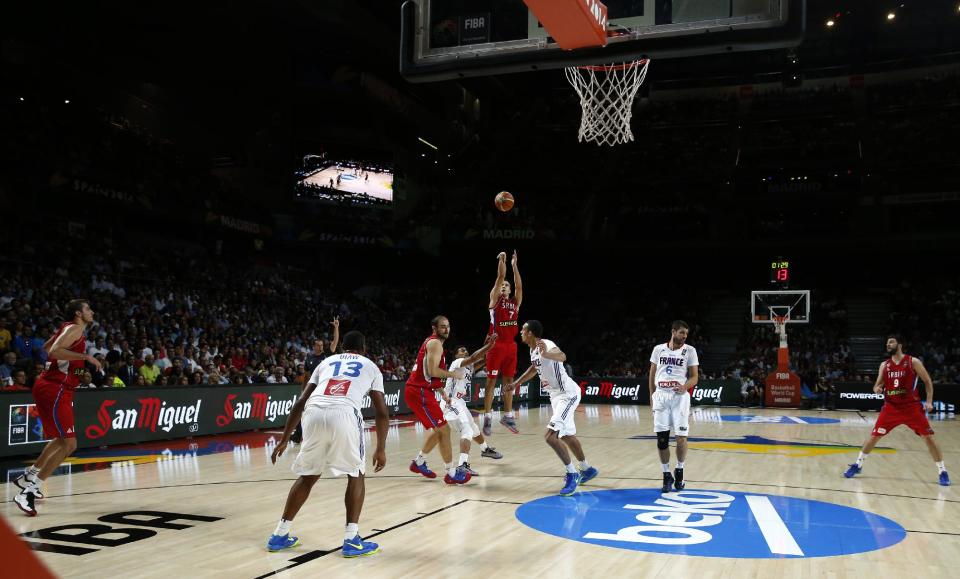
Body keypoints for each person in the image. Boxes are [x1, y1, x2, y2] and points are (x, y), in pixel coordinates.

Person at [267, 330, 390, 556]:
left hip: (313, 413)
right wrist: (381, 448)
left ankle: (279, 534)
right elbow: (381, 412)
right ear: (363, 349)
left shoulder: (326, 362)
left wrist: (284, 439)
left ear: (342, 347)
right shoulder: (370, 365)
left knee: (308, 476)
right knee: (356, 474)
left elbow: (301, 401)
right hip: (344, 413)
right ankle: (352, 539)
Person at [14, 299, 102, 516]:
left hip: (52, 386)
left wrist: (83, 374)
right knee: (70, 444)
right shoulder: (75, 328)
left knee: (62, 439)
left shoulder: (67, 328)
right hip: (55, 389)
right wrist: (85, 356)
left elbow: (47, 349)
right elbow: (54, 351)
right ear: (78, 313)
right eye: (88, 308)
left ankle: (30, 475)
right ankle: (29, 491)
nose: (91, 311)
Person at [844, 335, 950, 486]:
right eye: (887, 343)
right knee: (874, 436)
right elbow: (876, 386)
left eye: (891, 342)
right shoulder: (884, 365)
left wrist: (929, 401)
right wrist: (878, 389)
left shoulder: (913, 361)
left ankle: (942, 471)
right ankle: (858, 464)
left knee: (929, 438)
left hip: (911, 408)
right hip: (891, 408)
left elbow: (927, 381)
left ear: (899, 345)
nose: (888, 344)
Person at [508, 320, 597, 496]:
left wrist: (548, 353)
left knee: (550, 436)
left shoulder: (546, 344)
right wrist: (516, 383)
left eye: (523, 330)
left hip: (567, 394)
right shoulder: (533, 351)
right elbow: (534, 369)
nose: (520, 332)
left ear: (531, 333)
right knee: (567, 435)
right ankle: (587, 469)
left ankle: (572, 473)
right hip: (555, 397)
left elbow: (562, 356)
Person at [406, 315, 471, 484]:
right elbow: (433, 371)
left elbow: (430, 375)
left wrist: (443, 393)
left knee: (439, 430)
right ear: (434, 329)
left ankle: (419, 462)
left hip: (422, 391)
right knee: (444, 430)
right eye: (443, 326)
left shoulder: (436, 344)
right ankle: (451, 473)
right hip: (418, 391)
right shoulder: (434, 343)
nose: (446, 329)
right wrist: (452, 374)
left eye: (448, 326)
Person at [648, 320, 699, 494]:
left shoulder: (690, 351)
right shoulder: (658, 349)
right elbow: (652, 374)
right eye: (682, 333)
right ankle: (666, 475)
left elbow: (694, 377)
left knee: (681, 438)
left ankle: (679, 470)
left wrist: (685, 386)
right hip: (661, 396)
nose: (684, 336)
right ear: (673, 332)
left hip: (680, 397)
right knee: (662, 440)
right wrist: (651, 396)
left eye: (686, 334)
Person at [442, 335, 504, 475]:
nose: (465, 352)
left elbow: (482, 359)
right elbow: (475, 357)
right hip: (450, 402)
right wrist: (488, 346)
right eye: (461, 350)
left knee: (474, 428)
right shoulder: (457, 362)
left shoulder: (469, 367)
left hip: (460, 403)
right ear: (456, 355)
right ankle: (462, 465)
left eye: (465, 350)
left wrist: (490, 346)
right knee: (467, 431)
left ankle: (485, 449)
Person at [481, 250, 523, 436]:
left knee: (509, 382)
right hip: (496, 345)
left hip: (511, 346)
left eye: (507, 285)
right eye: (502, 286)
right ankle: (488, 417)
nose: (505, 286)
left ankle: (507, 415)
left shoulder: (514, 303)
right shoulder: (494, 301)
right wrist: (503, 261)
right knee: (491, 382)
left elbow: (520, 287)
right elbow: (500, 276)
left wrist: (515, 266)